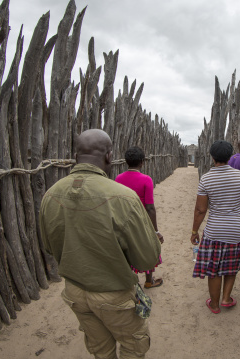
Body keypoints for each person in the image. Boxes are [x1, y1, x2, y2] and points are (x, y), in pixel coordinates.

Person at [39, 129, 161, 359]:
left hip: (75, 292)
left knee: (100, 350)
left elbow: (49, 246)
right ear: (108, 156)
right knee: (133, 347)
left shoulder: (51, 194)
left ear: (76, 155)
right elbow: (147, 259)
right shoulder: (123, 197)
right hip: (114, 293)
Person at [191, 140, 240, 314]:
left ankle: (214, 304)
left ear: (212, 157)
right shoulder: (239, 177)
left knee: (214, 271)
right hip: (236, 231)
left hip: (214, 232)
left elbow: (200, 209)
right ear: (229, 156)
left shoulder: (206, 178)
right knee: (231, 266)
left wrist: (194, 231)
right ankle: (226, 298)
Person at [116, 146, 164, 288]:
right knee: (147, 249)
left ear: (126, 161)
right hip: (142, 222)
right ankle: (149, 280)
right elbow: (149, 207)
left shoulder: (118, 178)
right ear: (142, 162)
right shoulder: (146, 180)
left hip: (123, 221)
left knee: (127, 250)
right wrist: (155, 231)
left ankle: (130, 283)